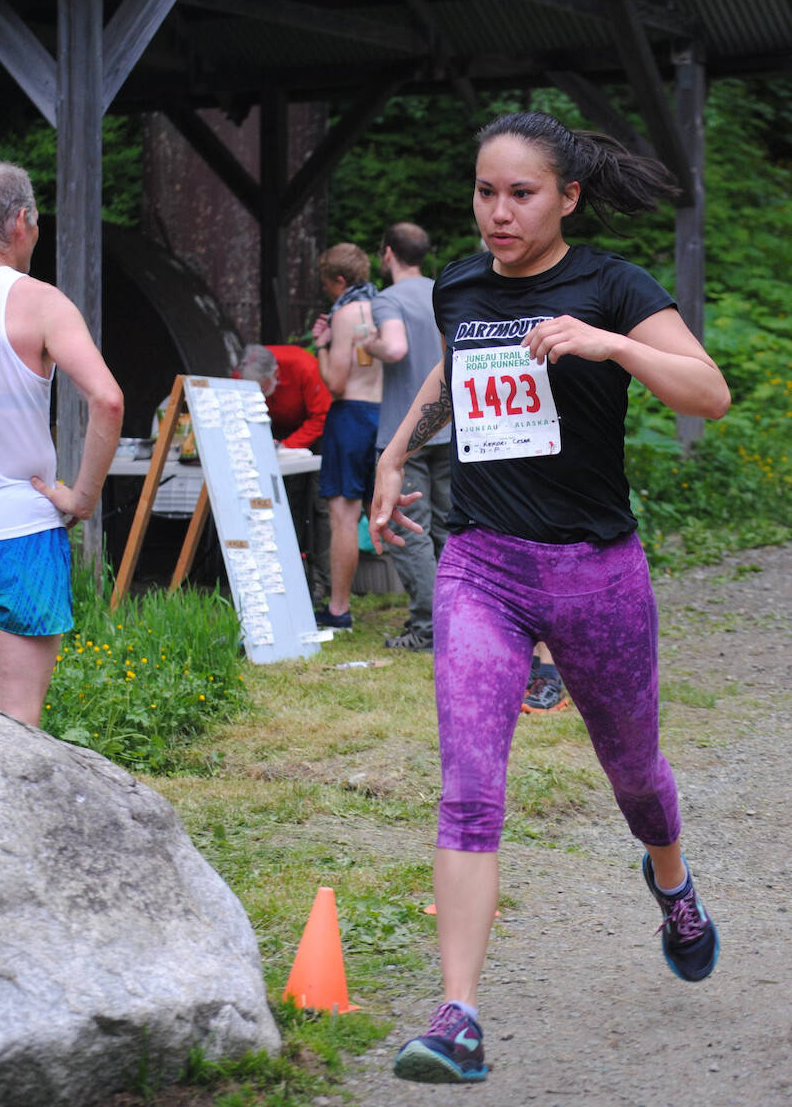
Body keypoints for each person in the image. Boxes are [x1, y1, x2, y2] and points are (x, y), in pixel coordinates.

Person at [369, 111, 730, 1084]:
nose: (496, 212)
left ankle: (673, 888)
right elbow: (457, 363)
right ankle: (456, 1016)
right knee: (467, 782)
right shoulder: (455, 282)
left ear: (565, 197)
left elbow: (707, 392)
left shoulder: (610, 284)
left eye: (518, 194)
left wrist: (607, 345)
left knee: (634, 774)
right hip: (480, 564)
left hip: (594, 571)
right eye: (484, 191)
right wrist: (398, 449)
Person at [0, 162, 124, 727]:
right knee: (15, 725)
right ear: (23, 222)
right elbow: (107, 401)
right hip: (19, 529)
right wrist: (82, 499)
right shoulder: (40, 303)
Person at [361, 222, 450, 652]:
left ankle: (428, 629)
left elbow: (394, 349)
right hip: (450, 427)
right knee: (452, 529)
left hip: (404, 433)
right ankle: (462, 617)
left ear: (388, 254)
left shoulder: (387, 299)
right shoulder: (443, 290)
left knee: (412, 532)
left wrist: (370, 343)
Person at [311, 243, 382, 630]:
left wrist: (321, 347)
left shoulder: (344, 313)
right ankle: (427, 606)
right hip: (383, 413)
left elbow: (336, 383)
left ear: (339, 280)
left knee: (343, 516)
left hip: (351, 414)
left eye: (327, 286)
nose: (328, 294)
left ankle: (338, 608)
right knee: (384, 511)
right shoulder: (384, 305)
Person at [235, 342, 332, 603]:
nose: (261, 396)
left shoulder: (304, 367)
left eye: (263, 389)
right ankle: (282, 573)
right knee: (284, 503)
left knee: (321, 504)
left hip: (313, 433)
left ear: (276, 374)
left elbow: (322, 416)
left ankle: (324, 578)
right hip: (273, 431)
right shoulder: (244, 372)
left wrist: (287, 447)